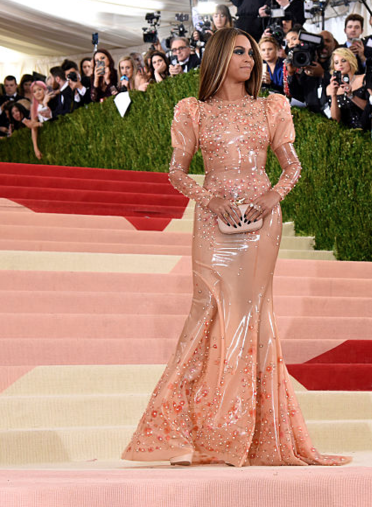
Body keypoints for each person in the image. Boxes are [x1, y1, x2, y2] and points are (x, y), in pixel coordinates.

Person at [121, 27, 351, 468]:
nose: (250, 59)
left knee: (249, 314)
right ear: (219, 58)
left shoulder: (271, 106)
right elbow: (177, 171)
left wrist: (271, 197)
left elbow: (292, 166)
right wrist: (213, 200)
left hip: (262, 221)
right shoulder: (193, 111)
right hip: (213, 220)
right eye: (240, 52)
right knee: (205, 310)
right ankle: (199, 428)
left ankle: (240, 432)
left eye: (252, 53)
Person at [326, 47, 366, 129]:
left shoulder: (363, 79)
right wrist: (333, 95)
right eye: (336, 63)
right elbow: (336, 119)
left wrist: (351, 95)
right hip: (345, 134)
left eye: (343, 61)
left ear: (350, 61)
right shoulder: (330, 88)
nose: (340, 64)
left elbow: (369, 108)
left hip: (366, 129)